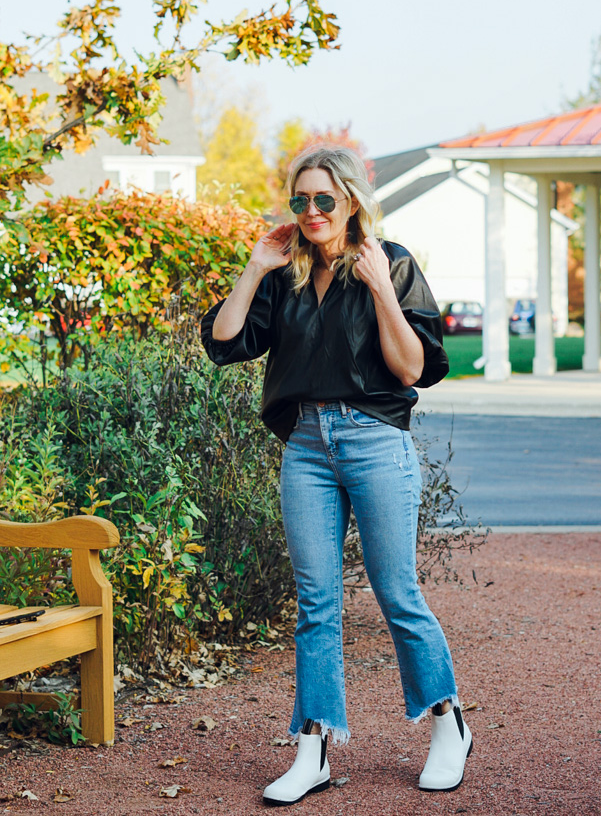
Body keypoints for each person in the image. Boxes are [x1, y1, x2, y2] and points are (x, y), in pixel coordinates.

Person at [200, 146, 472, 806]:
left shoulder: (392, 261)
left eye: (325, 199)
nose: (313, 212)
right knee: (315, 604)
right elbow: (223, 340)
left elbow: (413, 369)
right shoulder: (283, 276)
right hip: (307, 448)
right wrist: (255, 263)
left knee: (396, 591)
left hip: (375, 440)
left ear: (350, 200)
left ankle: (447, 725)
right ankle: (313, 749)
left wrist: (380, 285)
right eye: (301, 200)